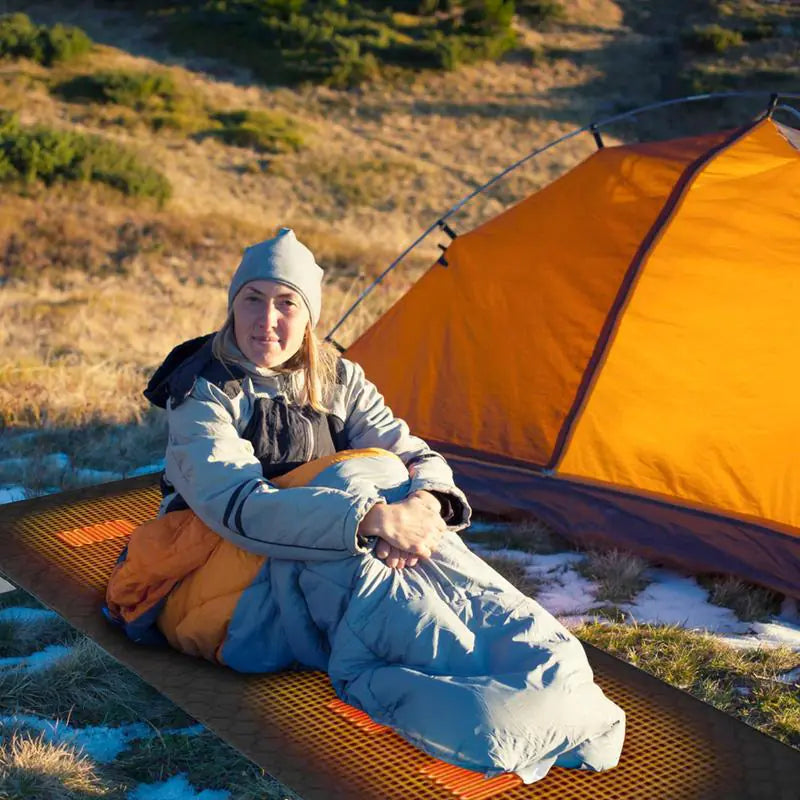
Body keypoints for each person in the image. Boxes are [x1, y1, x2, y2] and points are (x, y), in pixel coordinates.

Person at [106, 227, 625, 783]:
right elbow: (236, 506)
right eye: (252, 300)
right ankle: (491, 710)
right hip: (217, 589)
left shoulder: (336, 376)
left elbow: (412, 452)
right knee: (365, 479)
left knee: (419, 532)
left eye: (286, 304)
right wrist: (368, 517)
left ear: (309, 316)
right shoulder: (205, 389)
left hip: (329, 551)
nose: (267, 320)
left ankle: (547, 679)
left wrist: (425, 504)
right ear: (232, 305)